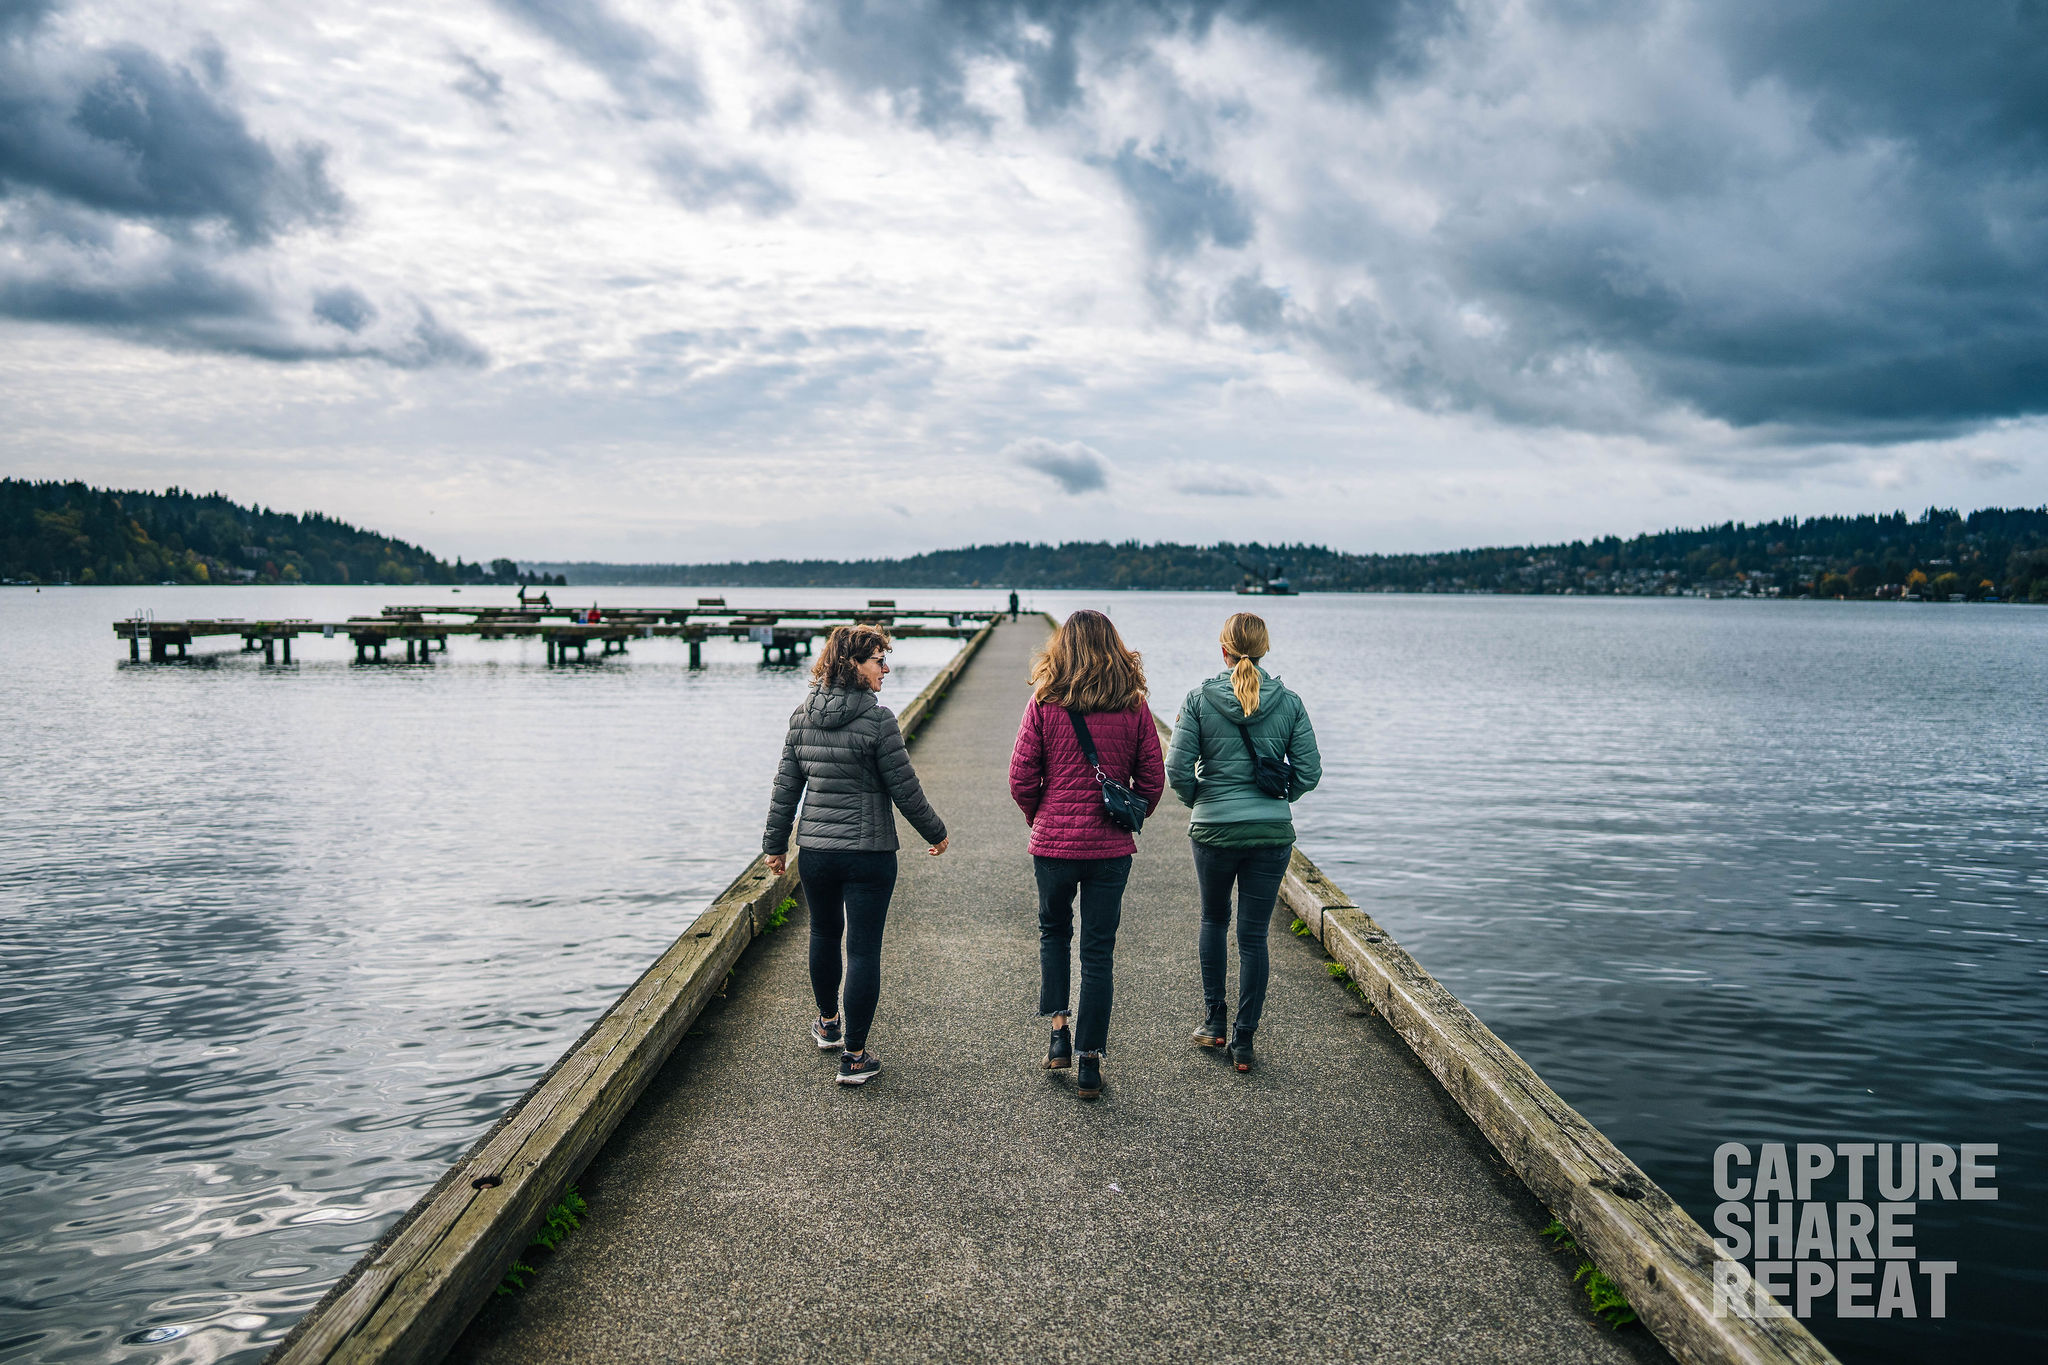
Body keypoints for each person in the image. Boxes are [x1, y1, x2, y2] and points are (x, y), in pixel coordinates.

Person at [763, 625, 949, 1086]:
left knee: (824, 935)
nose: (886, 668)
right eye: (878, 660)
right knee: (862, 949)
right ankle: (855, 1057)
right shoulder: (878, 720)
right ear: (852, 664)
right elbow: (904, 789)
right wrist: (936, 831)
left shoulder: (801, 717)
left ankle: (828, 1024)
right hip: (869, 854)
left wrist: (774, 845)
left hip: (818, 852)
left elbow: (787, 788)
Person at [1009, 610, 1164, 1100]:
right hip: (1109, 849)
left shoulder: (1044, 701)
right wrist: (1126, 816)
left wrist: (1043, 817)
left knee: (1054, 933)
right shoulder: (1134, 705)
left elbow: (1020, 778)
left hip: (1054, 843)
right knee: (1098, 951)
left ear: (1063, 648)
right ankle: (1090, 1062)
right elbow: (1153, 780)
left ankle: (1059, 1034)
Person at [1165, 612, 1321, 1074]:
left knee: (1214, 920)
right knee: (1254, 936)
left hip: (1213, 830)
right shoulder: (1289, 703)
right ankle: (1245, 1042)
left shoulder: (1198, 700)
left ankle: (1214, 1022)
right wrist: (1278, 799)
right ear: (1265, 649)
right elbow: (1310, 772)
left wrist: (1203, 800)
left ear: (1224, 650)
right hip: (1270, 834)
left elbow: (1177, 769)